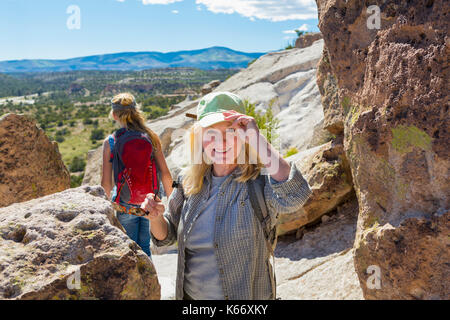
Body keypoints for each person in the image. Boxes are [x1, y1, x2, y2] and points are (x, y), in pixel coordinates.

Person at [142, 91, 312, 299]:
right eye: (211, 134)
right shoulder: (188, 181)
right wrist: (156, 217)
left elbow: (295, 196)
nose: (221, 143)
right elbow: (165, 237)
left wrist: (258, 140)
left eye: (231, 132)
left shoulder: (259, 181)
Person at [101, 92, 173, 257]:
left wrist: (105, 210)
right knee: (146, 249)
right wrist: (173, 203)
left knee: (130, 251)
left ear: (114, 115)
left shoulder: (111, 142)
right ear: (136, 111)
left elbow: (106, 183)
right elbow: (165, 173)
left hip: (125, 205)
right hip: (150, 203)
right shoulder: (151, 137)